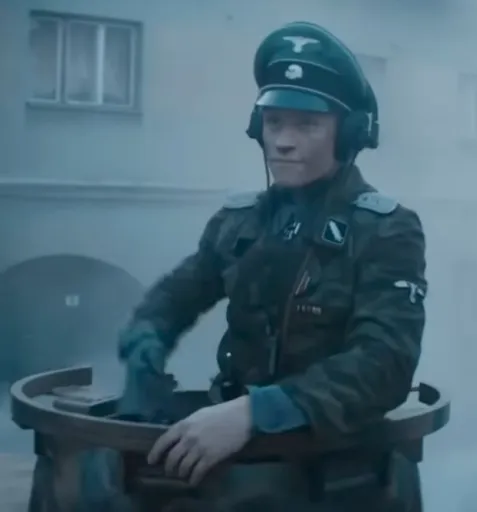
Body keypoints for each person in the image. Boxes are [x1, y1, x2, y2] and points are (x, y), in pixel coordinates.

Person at [117, 21, 427, 511]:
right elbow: (179, 292)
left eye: (307, 125)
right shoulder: (241, 221)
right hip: (240, 456)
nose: (283, 141)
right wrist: (146, 339)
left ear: (347, 135)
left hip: (336, 470)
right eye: (275, 122)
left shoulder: (386, 231)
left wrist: (256, 413)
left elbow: (383, 364)